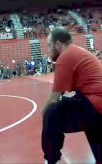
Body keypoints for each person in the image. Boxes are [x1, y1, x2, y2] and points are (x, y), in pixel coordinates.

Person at [42, 27, 102, 164]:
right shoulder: (78, 51)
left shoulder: (66, 56)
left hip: (95, 105)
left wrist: (43, 113)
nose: (48, 49)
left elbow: (55, 97)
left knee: (51, 111)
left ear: (58, 44)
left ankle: (51, 160)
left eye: (49, 45)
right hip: (96, 106)